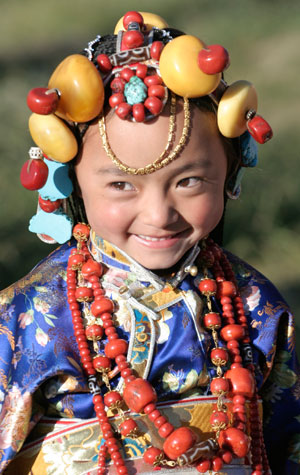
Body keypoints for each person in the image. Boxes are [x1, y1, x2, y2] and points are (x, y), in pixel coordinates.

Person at [0, 10, 299, 475]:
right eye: (121, 186)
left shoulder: (255, 306)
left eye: (191, 181)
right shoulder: (32, 315)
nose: (160, 215)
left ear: (230, 174)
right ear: (73, 184)